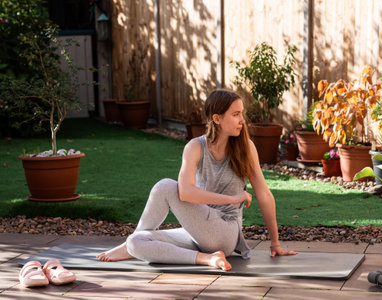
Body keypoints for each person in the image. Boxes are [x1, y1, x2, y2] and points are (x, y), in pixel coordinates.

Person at [97, 89, 297, 270]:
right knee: (136, 242)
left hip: (225, 231)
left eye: (241, 114)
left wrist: (275, 243)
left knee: (165, 186)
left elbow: (264, 194)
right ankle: (207, 259)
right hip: (197, 233)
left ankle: (128, 248)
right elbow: (186, 192)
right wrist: (233, 198)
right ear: (217, 118)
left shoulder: (246, 147)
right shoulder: (195, 147)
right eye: (236, 115)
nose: (242, 120)